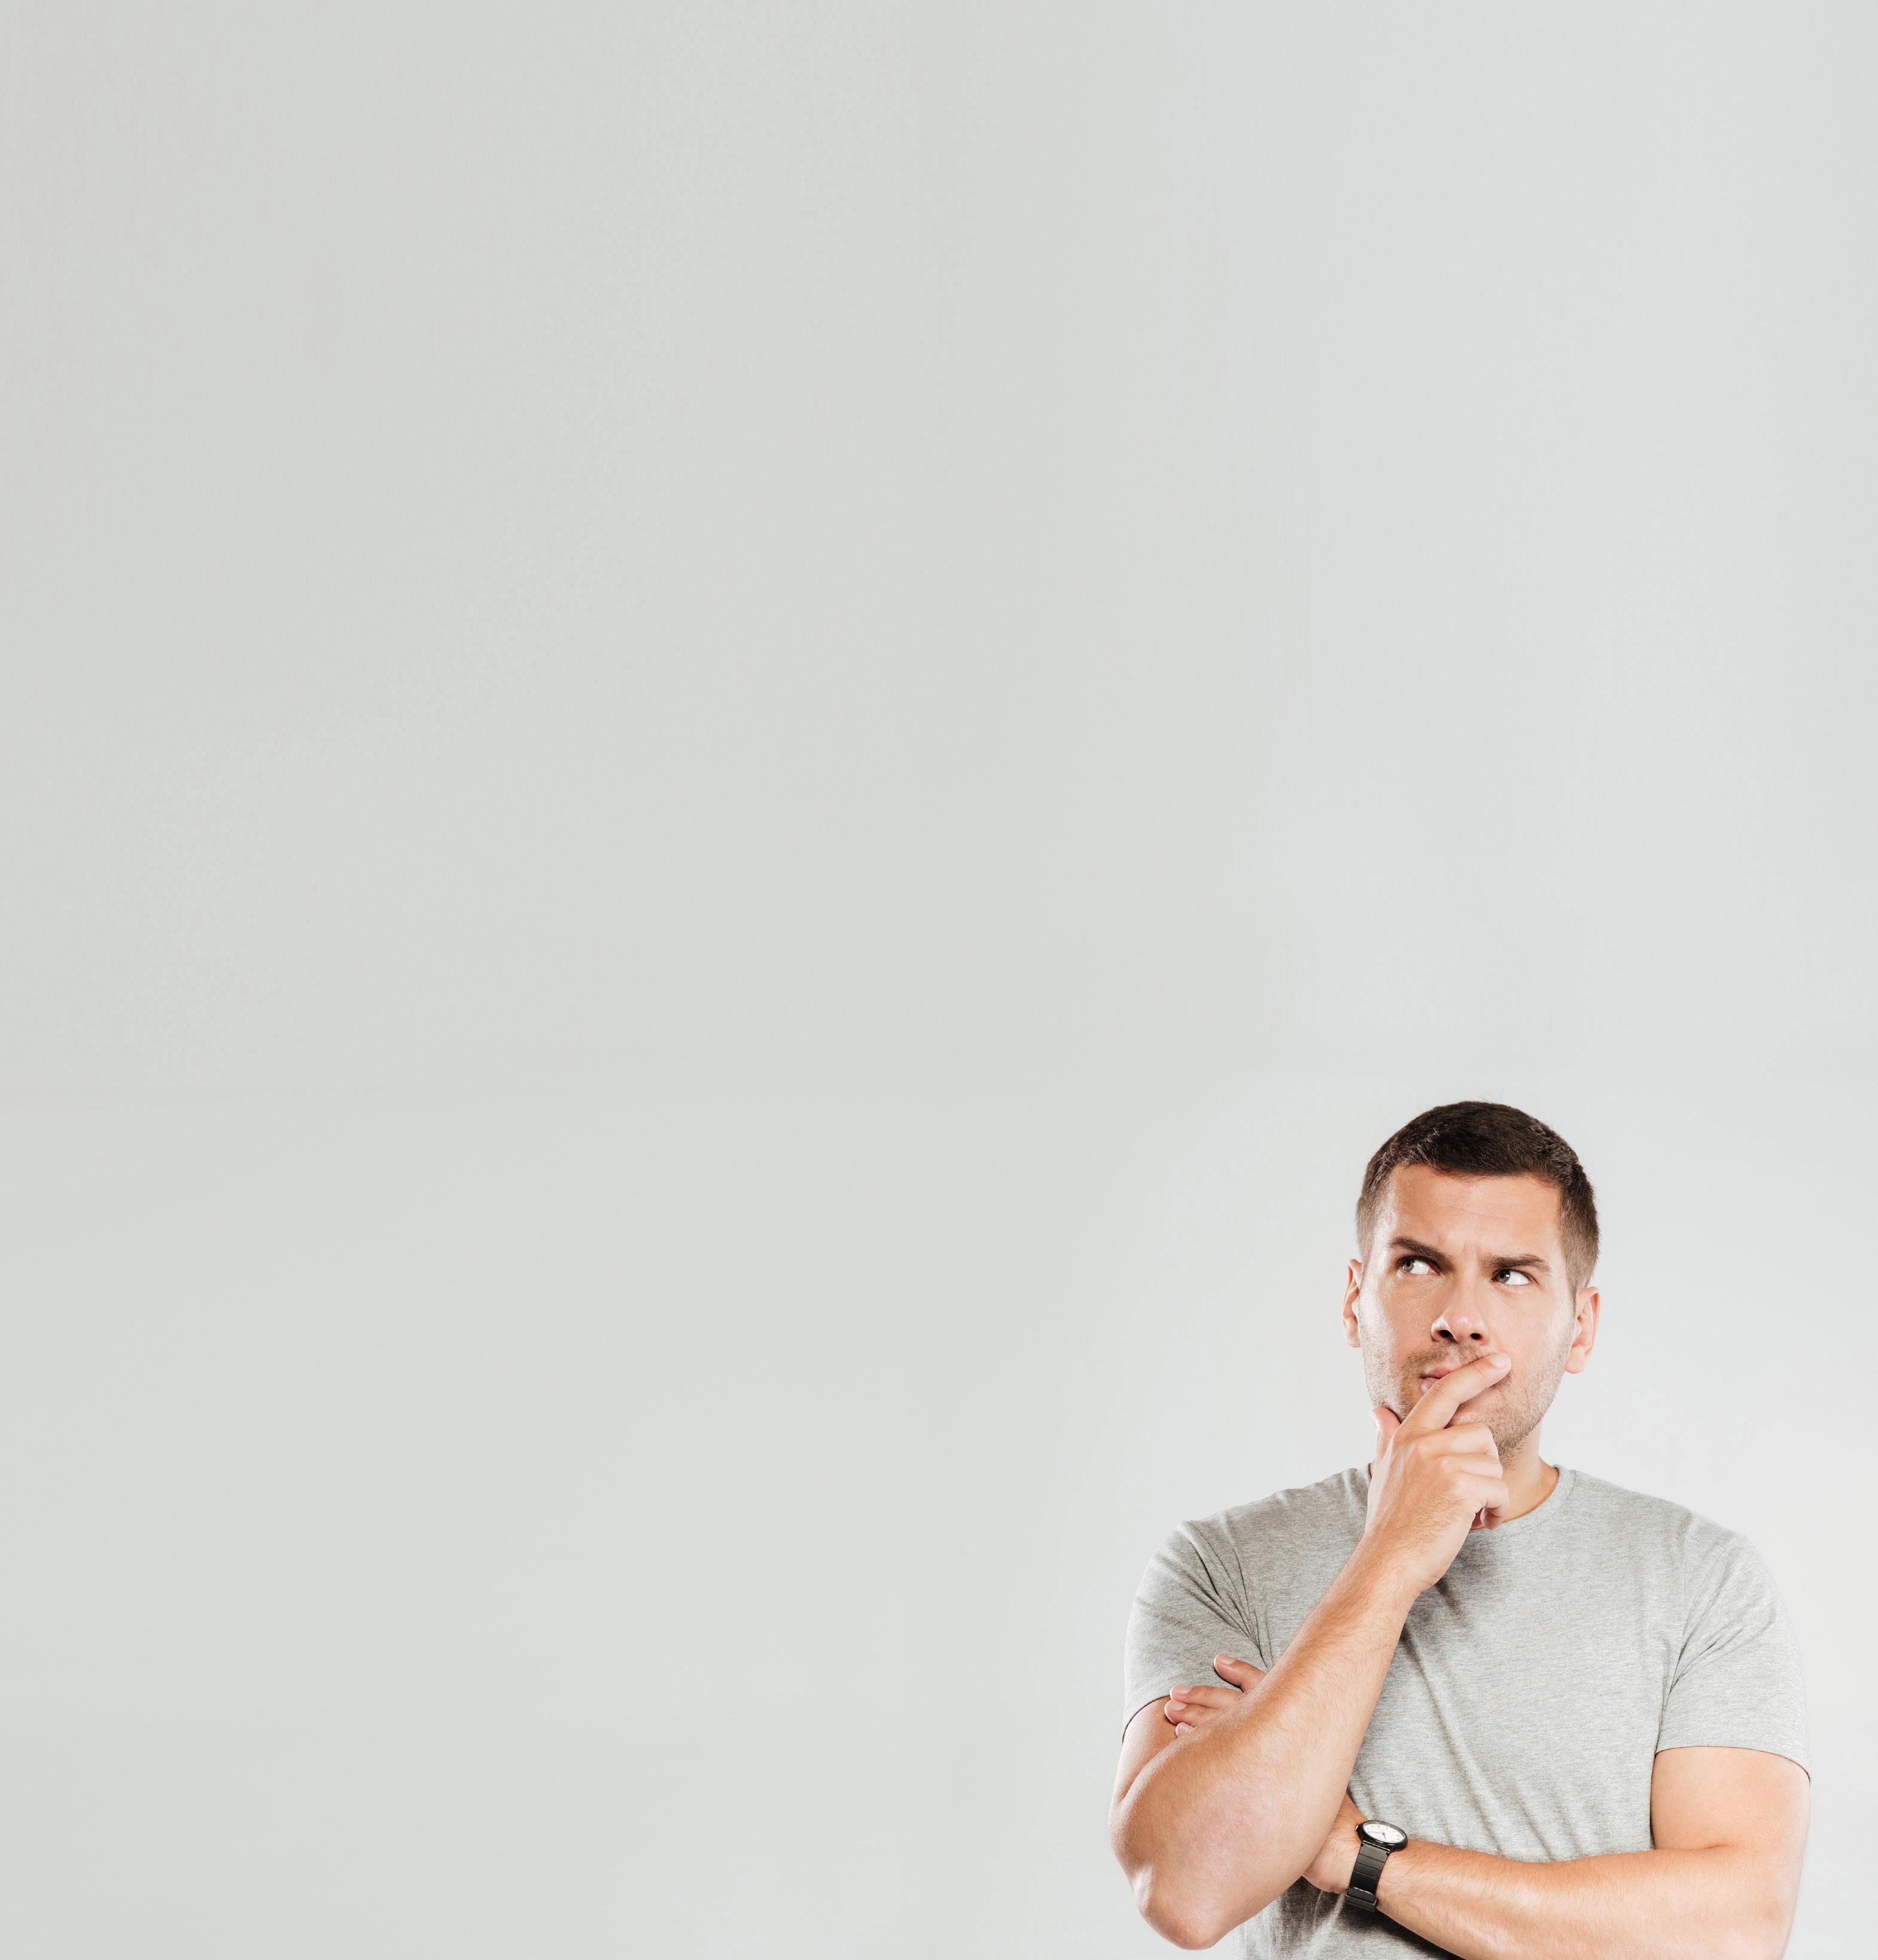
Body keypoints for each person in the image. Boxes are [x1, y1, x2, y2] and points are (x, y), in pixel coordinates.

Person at [1109, 1101, 1809, 1958]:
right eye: (1417, 1264)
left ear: (1581, 1326)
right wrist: (1390, 1556)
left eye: (1511, 1275)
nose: (1461, 1318)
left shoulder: (1701, 1577)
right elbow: (1186, 1889)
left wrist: (1358, 1854)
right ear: (1355, 1302)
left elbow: (1735, 1930)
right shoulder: (1220, 1564)